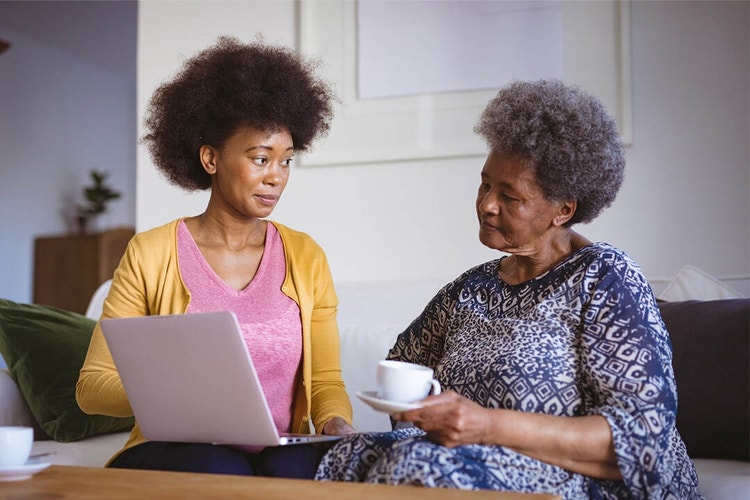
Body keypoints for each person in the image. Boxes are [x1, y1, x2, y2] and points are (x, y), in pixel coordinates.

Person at [315, 79, 701, 498]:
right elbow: (404, 366)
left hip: (591, 483)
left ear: (563, 210)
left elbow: (643, 438)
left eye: (509, 196)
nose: (486, 204)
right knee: (346, 455)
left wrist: (486, 425)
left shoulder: (605, 277)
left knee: (421, 466)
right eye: (485, 184)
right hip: (483, 463)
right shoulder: (471, 288)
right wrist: (418, 420)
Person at [76, 36, 355, 478]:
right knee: (218, 466)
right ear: (210, 158)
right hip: (179, 449)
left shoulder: (306, 256)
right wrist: (173, 395)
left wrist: (337, 424)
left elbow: (324, 383)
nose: (276, 178)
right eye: (260, 158)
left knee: (301, 469)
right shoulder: (152, 252)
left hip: (277, 448)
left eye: (286, 161)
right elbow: (92, 387)